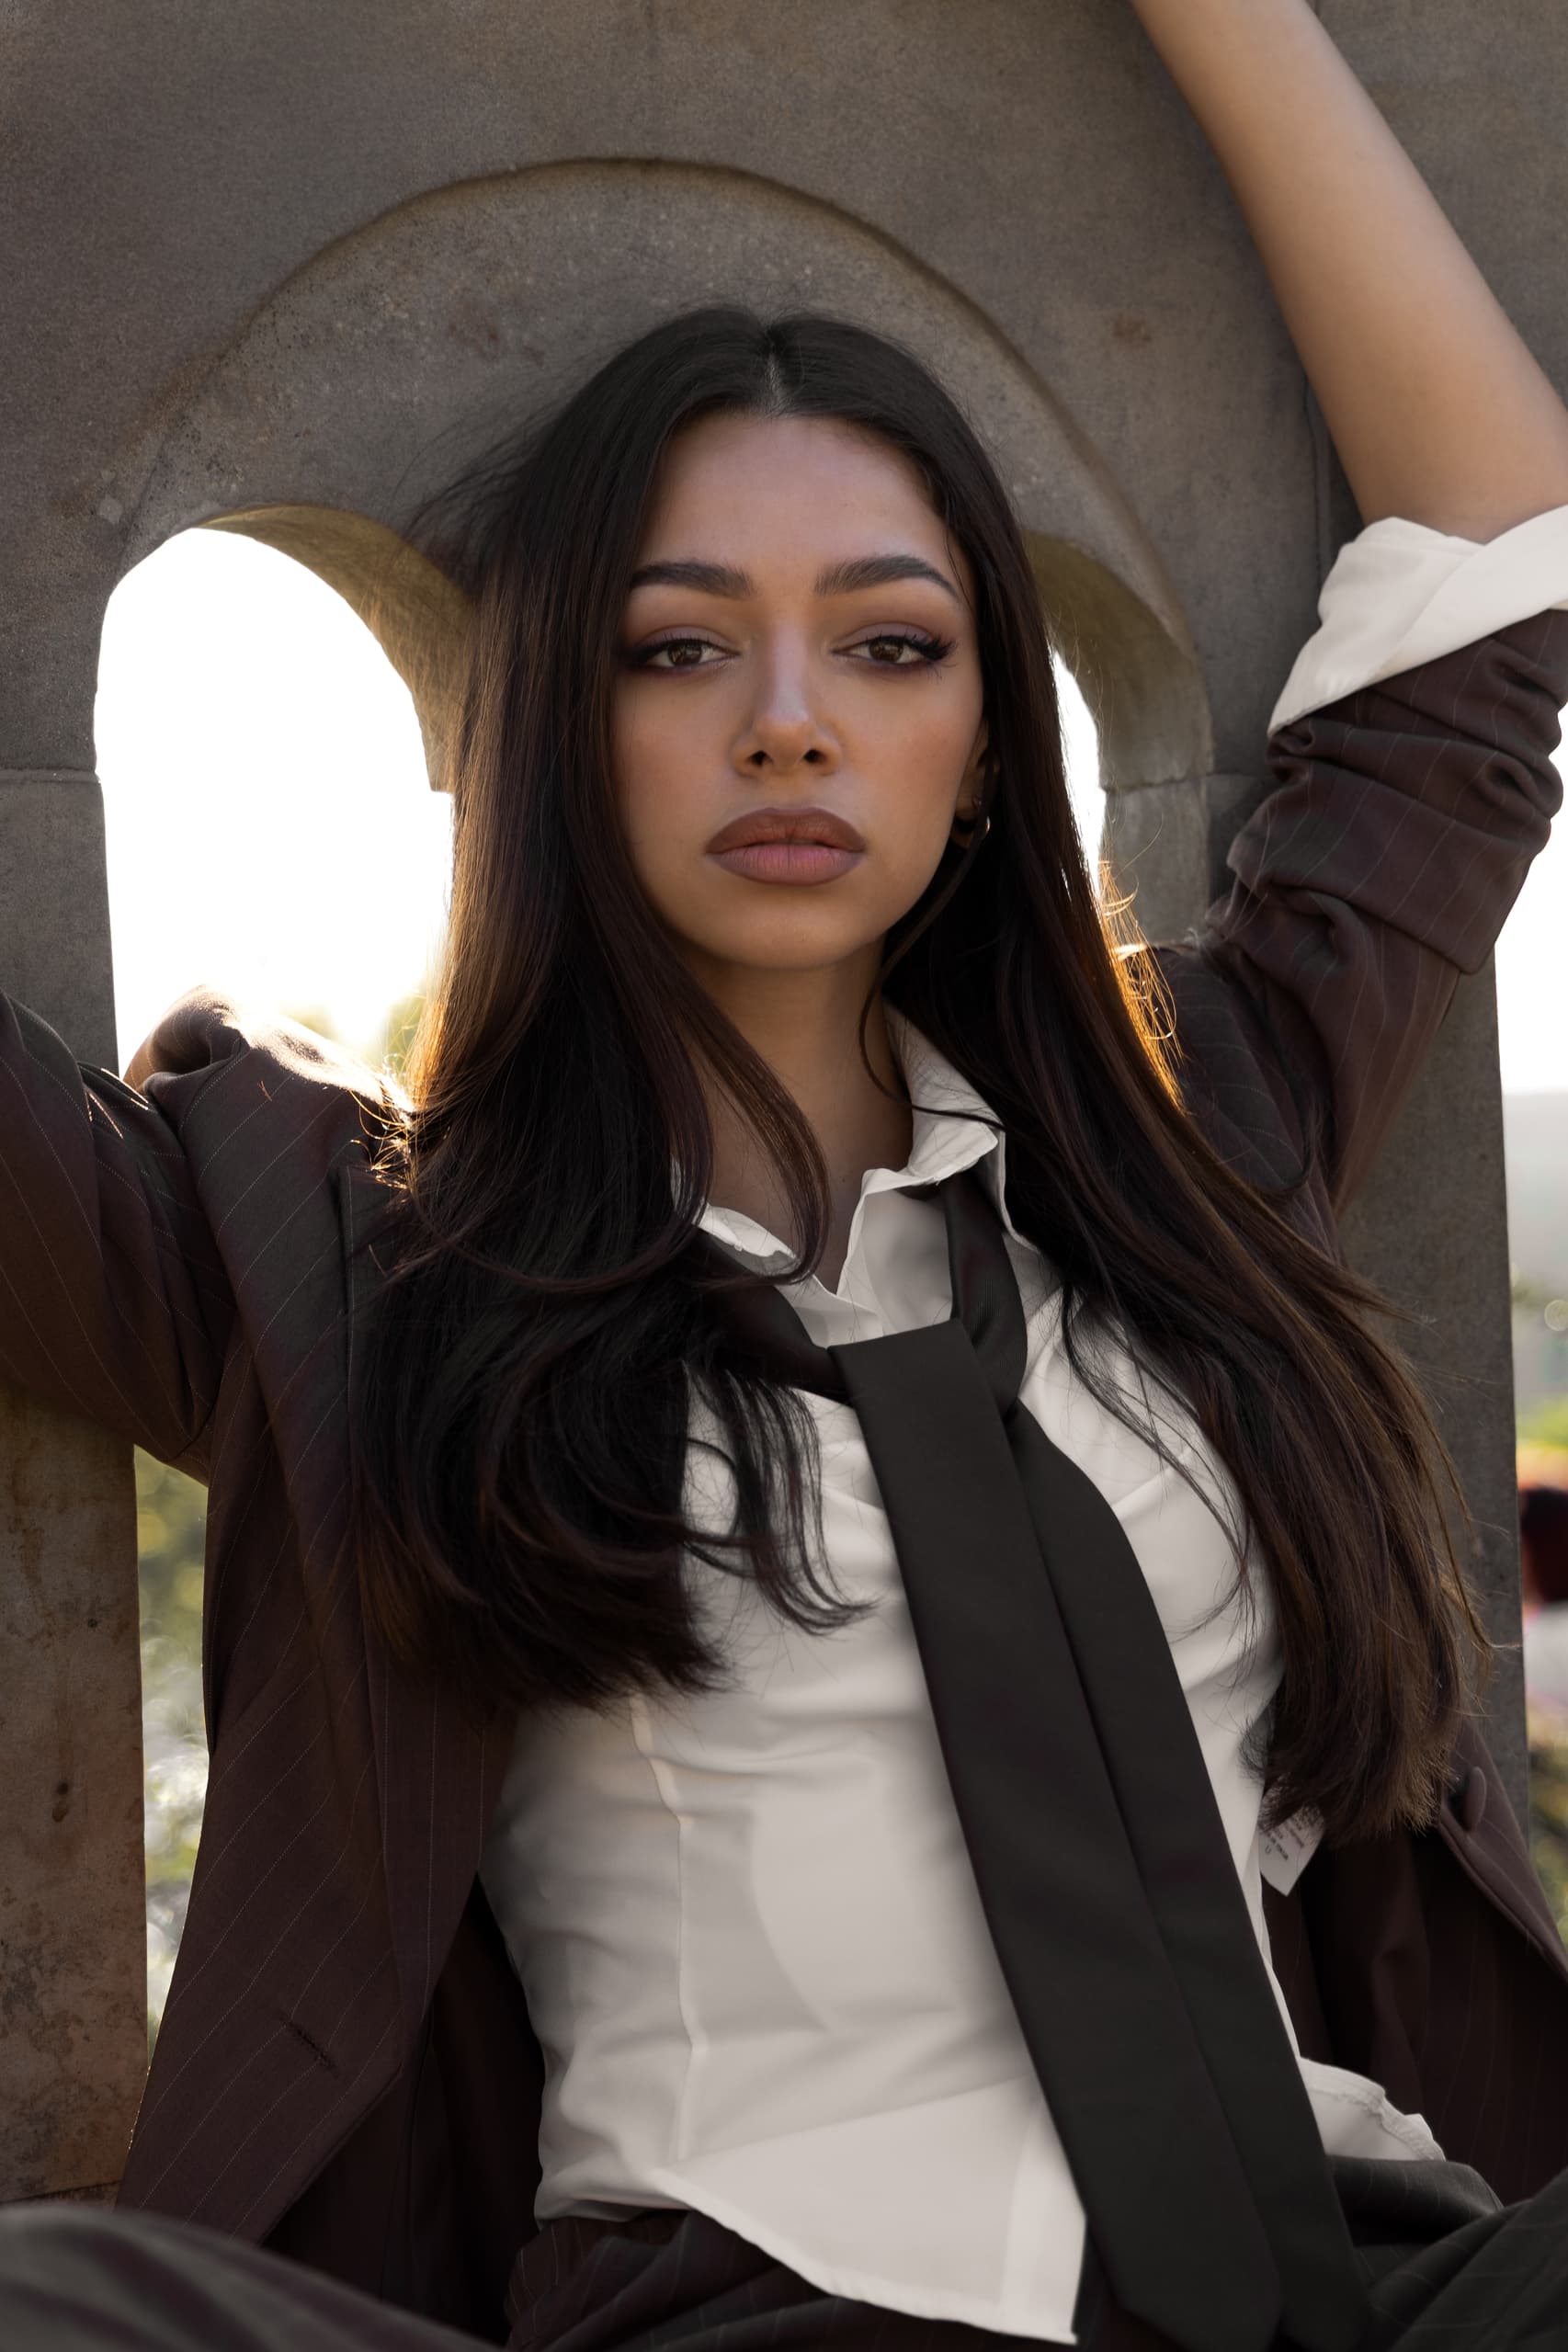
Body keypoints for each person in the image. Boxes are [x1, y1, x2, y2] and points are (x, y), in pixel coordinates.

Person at [4, 0, 1568, 2346]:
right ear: (555, 716)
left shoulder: (1196, 1150)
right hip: (747, 2306)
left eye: (890, 639)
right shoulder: (345, 1265)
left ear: (973, 733)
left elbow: (1495, 568)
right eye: (676, 645)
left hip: (1365, 2285)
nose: (790, 715)